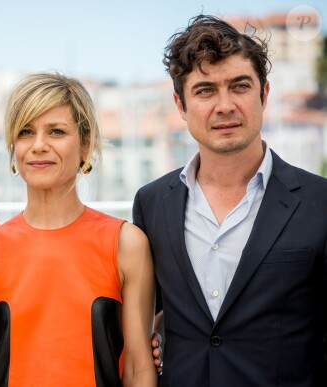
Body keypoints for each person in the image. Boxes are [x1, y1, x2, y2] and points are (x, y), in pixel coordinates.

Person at [133, 15, 327, 385]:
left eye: (239, 86)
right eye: (205, 90)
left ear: (263, 94)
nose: (224, 105)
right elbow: (149, 313)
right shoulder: (151, 202)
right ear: (180, 103)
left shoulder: (321, 202)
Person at [0, 73, 157, 386]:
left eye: (56, 132)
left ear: (85, 147)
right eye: (25, 132)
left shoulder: (126, 244)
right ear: (13, 148)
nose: (38, 146)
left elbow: (138, 369)